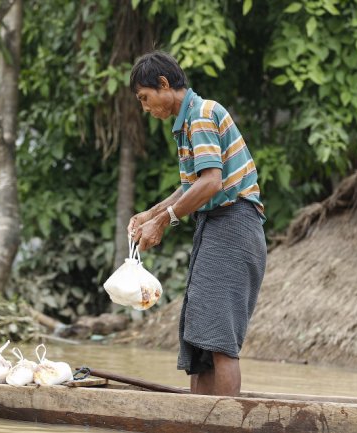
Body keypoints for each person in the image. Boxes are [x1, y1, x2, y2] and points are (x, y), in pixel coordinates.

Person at [127, 51, 267, 396]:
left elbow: (211, 184)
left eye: (145, 98)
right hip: (219, 227)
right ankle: (199, 420)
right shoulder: (189, 120)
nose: (145, 108)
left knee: (218, 337)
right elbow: (193, 184)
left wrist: (164, 221)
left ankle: (224, 422)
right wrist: (151, 213)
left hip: (234, 225)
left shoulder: (202, 115)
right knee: (201, 339)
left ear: (163, 84)